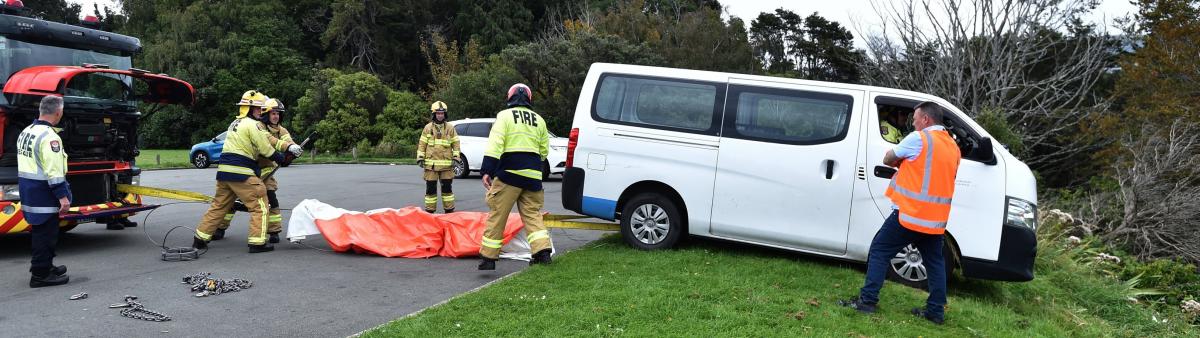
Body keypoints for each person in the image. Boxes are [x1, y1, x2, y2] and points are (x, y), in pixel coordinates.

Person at [840, 101, 962, 325]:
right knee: (934, 263)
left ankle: (867, 301)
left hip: (909, 214)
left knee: (879, 250)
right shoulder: (953, 147)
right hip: (935, 220)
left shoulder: (919, 138)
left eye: (915, 119)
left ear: (926, 119)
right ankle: (935, 312)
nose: (913, 122)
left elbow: (888, 158)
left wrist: (899, 160)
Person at [192, 90, 300, 253]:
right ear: (248, 108)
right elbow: (264, 147)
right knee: (261, 205)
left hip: (224, 172)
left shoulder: (234, 123)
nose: (261, 112)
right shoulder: (253, 125)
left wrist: (286, 147)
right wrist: (281, 158)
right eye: (258, 108)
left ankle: (200, 239)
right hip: (242, 172)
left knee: (219, 206)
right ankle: (257, 243)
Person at [477, 84, 552, 270]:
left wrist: (487, 169)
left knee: (498, 213)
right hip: (533, 176)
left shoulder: (504, 116)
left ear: (509, 97)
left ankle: (488, 257)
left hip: (509, 174)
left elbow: (496, 144)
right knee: (532, 215)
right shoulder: (540, 120)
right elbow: (544, 151)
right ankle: (542, 252)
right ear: (529, 98)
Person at [214, 97, 298, 244]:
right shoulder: (259, 126)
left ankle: (274, 231)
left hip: (267, 172)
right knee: (232, 201)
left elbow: (288, 141)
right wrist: (285, 149)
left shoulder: (282, 130)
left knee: (272, 200)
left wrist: (294, 149)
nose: (276, 116)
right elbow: (271, 142)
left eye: (278, 113)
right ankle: (220, 228)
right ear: (266, 114)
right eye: (273, 113)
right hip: (249, 171)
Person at [19, 95, 72, 288]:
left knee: (42, 232)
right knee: (45, 235)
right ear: (58, 112)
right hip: (44, 194)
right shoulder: (50, 138)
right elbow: (54, 172)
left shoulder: (27, 131)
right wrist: (63, 198)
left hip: (30, 192)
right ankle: (41, 274)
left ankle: (46, 266)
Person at [416, 101, 461, 213]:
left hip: (446, 166)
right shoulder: (427, 128)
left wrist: (456, 157)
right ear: (434, 114)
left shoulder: (450, 128)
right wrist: (420, 157)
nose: (440, 115)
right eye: (438, 113)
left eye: (442, 113)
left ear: (445, 114)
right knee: (430, 190)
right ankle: (430, 213)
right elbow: (422, 144)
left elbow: (456, 144)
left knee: (447, 190)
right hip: (431, 166)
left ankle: (449, 212)